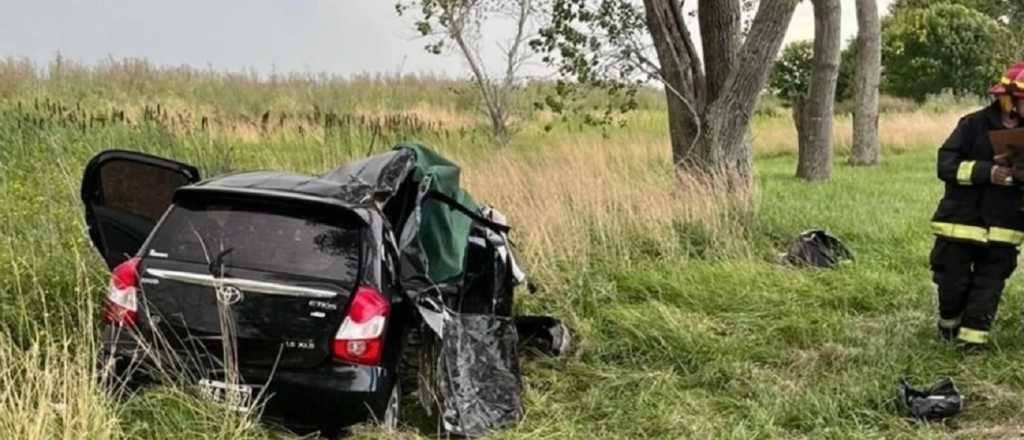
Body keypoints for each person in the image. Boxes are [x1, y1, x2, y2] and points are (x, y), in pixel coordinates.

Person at [929, 62, 1024, 347]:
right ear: (1008, 99)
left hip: (1004, 228)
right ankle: (948, 329)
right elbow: (945, 165)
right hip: (960, 224)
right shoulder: (972, 125)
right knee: (952, 285)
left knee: (988, 288)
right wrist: (987, 172)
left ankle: (972, 346)